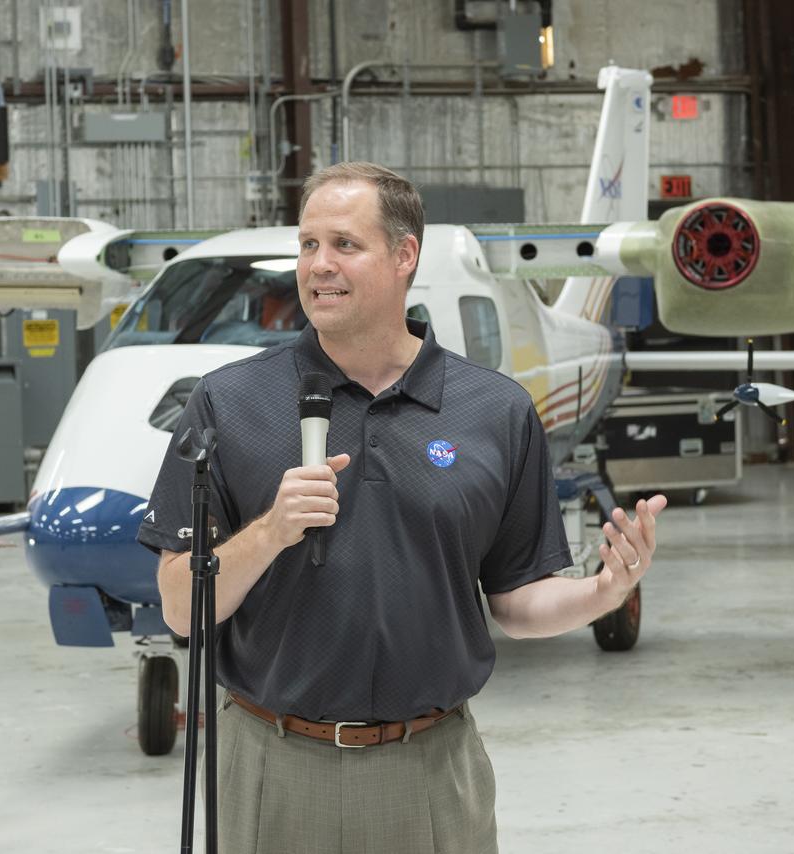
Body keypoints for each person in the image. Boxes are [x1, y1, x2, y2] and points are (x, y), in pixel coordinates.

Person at [139, 161, 667, 853]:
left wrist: (603, 590)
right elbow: (182, 607)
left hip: (431, 768)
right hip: (272, 764)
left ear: (404, 256)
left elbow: (515, 603)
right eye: (306, 246)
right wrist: (269, 531)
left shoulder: (496, 412)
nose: (318, 266)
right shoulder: (228, 404)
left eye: (344, 245)